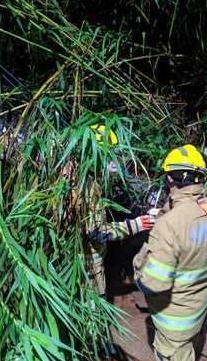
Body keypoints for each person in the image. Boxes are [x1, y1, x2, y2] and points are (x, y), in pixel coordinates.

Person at [133, 144, 207, 361]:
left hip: (173, 321)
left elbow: (152, 283)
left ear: (168, 178)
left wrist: (140, 259)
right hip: (197, 309)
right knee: (188, 354)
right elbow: (192, 227)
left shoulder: (169, 226)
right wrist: (167, 213)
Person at [61, 125, 155, 297]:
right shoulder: (88, 186)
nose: (113, 160)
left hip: (71, 260)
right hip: (87, 266)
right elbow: (97, 231)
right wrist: (136, 225)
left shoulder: (70, 173)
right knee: (92, 312)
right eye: (109, 154)